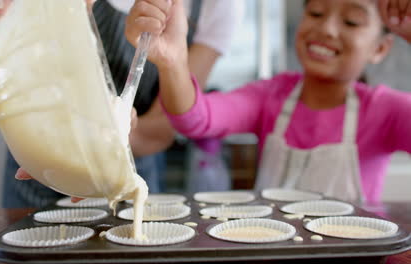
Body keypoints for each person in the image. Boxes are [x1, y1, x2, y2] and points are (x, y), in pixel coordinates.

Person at [126, 0, 411, 204]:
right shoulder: (270, 95)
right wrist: (173, 62)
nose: (327, 29)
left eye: (351, 21)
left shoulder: (386, 110)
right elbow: (197, 118)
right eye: (315, 12)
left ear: (380, 48)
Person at [0, 0, 243, 207]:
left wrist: (103, 141)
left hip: (131, 166)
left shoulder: (217, 6)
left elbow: (161, 128)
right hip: (37, 159)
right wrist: (13, 29)